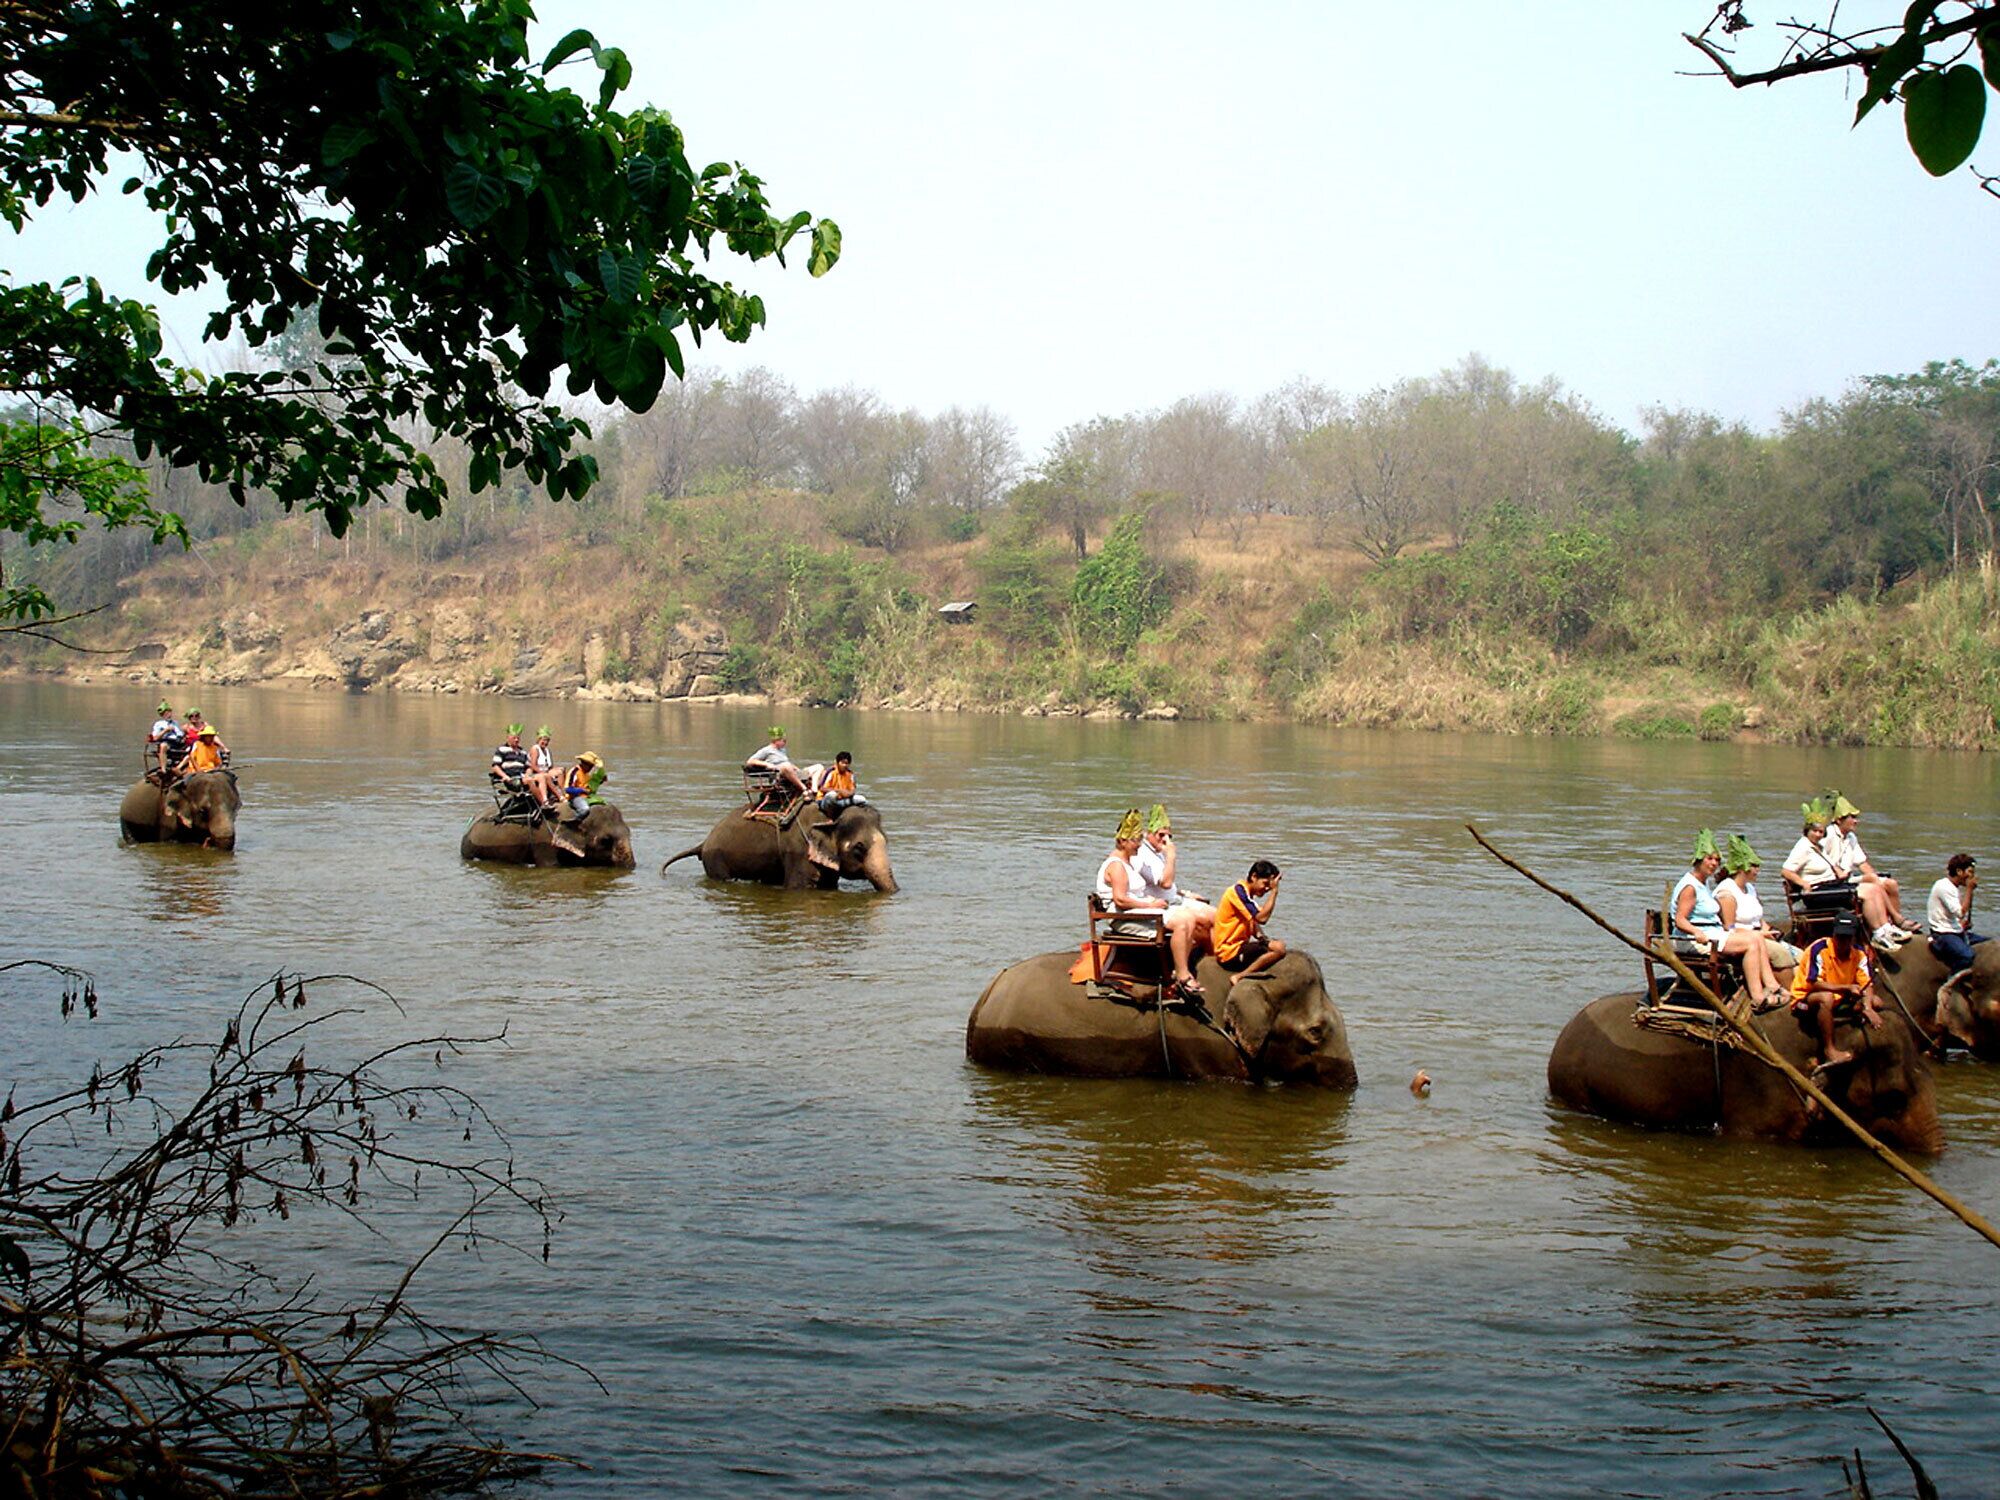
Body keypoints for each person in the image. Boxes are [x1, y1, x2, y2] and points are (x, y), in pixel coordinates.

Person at [1783, 798, 1905, 951]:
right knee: (1868, 890)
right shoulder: (1803, 847)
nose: (1819, 835)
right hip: (1817, 892)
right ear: (1806, 831)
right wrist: (1803, 883)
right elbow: (1786, 870)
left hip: (1832, 886)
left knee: (1874, 886)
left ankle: (1886, 928)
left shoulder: (1817, 846)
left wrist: (1838, 871)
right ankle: (1878, 933)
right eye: (1815, 831)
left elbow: (1834, 864)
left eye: (1821, 832)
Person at [1130, 804, 1217, 1001]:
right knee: (1200, 918)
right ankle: (1182, 971)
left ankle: (1217, 955)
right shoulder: (1143, 853)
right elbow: (1165, 881)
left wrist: (1185, 892)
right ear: (1148, 833)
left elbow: (1169, 886)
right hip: (1163, 905)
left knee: (1215, 914)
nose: (1165, 840)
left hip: (1175, 899)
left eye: (1168, 835)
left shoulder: (1158, 851)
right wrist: (1171, 856)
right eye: (1161, 834)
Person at [1789, 913, 1884, 1068]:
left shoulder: (1859, 954)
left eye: (1847, 938)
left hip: (1840, 996)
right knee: (1826, 998)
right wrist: (1845, 988)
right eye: (1840, 937)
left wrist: (1868, 1007)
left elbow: (1867, 984)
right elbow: (1814, 983)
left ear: (1853, 938)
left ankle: (1855, 1023)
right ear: (1833, 935)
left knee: (1876, 1002)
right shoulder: (1820, 949)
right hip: (1808, 997)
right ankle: (1829, 1049)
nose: (1843, 942)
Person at [1711, 835, 1791, 1010]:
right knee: (1781, 954)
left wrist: (1769, 929)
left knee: (1795, 952)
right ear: (1743, 868)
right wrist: (1759, 934)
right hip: (1742, 936)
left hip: (1758, 933)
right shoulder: (1727, 892)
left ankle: (1792, 988)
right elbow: (1729, 927)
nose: (1758, 870)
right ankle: (1784, 992)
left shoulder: (1750, 888)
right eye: (1754, 866)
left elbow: (1759, 918)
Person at [1822, 791, 1917, 933]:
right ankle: (1896, 919)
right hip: (1835, 883)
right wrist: (1837, 869)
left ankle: (1894, 923)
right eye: (1852, 817)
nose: (1856, 821)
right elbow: (1820, 854)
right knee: (1873, 880)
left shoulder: (1851, 837)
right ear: (1839, 820)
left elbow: (1863, 864)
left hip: (1849, 878)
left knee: (1890, 884)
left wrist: (1878, 880)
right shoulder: (1828, 833)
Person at [1212, 859, 1286, 984]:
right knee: (1279, 949)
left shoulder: (1247, 896)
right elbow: (1261, 918)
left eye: (1270, 886)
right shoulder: (1237, 892)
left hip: (1239, 946)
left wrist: (1262, 938)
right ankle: (1240, 976)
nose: (1267, 888)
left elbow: (1253, 921)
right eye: (1265, 883)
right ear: (1254, 877)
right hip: (1229, 952)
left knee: (1274, 944)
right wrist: (1274, 892)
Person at [1927, 853, 1987, 975]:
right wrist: (1969, 890)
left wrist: (1960, 924)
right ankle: (1952, 981)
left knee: (1987, 942)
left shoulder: (1954, 888)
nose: (1972, 876)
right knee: (1967, 956)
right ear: (1959, 871)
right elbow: (1960, 912)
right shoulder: (1944, 887)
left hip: (1954, 929)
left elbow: (1955, 915)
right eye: (1970, 872)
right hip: (1943, 934)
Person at [745, 727, 809, 797]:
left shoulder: (783, 750)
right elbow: (750, 761)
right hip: (779, 775)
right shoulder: (766, 750)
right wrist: (766, 764)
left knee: (818, 767)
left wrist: (797, 769)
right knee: (786, 766)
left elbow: (788, 763)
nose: (785, 742)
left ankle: (814, 790)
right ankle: (804, 789)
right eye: (783, 740)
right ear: (776, 741)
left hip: (791, 772)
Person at [815, 751, 868, 819]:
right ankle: (830, 817)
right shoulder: (831, 772)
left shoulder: (850, 774)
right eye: (842, 763)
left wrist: (849, 794)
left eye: (847, 763)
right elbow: (822, 788)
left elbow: (852, 790)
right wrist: (839, 791)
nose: (844, 765)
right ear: (837, 762)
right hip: (827, 801)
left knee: (862, 799)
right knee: (831, 795)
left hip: (842, 801)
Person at [558, 751, 606, 821]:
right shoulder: (575, 771)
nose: (591, 768)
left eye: (592, 766)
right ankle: (574, 822)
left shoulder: (587, 775)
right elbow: (568, 789)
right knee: (584, 809)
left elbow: (590, 787)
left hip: (587, 797)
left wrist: (600, 781)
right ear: (583, 763)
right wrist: (581, 790)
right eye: (590, 766)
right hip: (574, 797)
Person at [489, 724, 532, 802]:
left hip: (523, 777)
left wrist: (527, 775)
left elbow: (528, 767)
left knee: (542, 777)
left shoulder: (523, 752)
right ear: (508, 738)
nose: (516, 740)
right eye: (514, 738)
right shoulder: (502, 750)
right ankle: (544, 802)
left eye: (518, 738)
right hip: (512, 779)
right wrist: (505, 776)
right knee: (531, 781)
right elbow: (495, 767)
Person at [147, 699, 185, 780]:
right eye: (166, 713)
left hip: (176, 742)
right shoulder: (158, 724)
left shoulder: (175, 723)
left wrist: (180, 736)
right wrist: (165, 730)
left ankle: (180, 767)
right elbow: (155, 737)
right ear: (162, 714)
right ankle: (163, 769)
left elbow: (180, 733)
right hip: (165, 741)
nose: (168, 714)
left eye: (169, 712)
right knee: (163, 746)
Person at [526, 725, 559, 805]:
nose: (545, 742)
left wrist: (554, 772)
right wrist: (543, 772)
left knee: (560, 771)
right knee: (544, 776)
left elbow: (551, 766)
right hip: (536, 772)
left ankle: (561, 793)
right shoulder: (535, 749)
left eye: (547, 740)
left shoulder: (548, 750)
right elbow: (533, 765)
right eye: (543, 740)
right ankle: (549, 798)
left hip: (546, 771)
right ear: (539, 740)